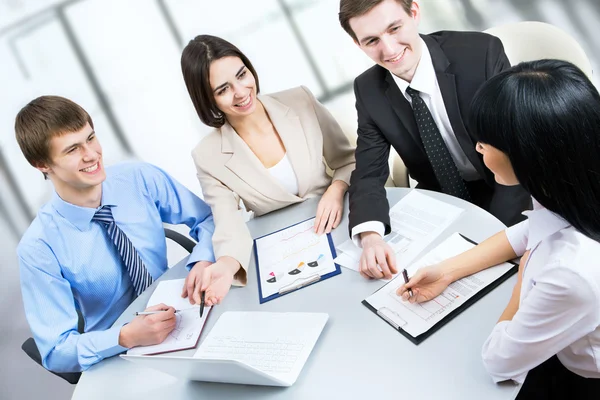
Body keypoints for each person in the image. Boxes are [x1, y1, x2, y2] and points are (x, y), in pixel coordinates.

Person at [397, 60, 600, 398]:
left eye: (485, 143)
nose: (477, 149)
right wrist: (448, 270)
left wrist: (522, 282)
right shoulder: (568, 186)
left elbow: (499, 361)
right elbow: (530, 233)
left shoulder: (572, 272)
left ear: (527, 154)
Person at [15, 96, 216, 372]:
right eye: (73, 149)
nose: (92, 155)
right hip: (120, 357)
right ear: (42, 164)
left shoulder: (138, 178)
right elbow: (56, 351)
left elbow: (208, 218)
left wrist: (203, 259)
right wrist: (125, 336)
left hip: (187, 314)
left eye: (91, 138)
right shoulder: (38, 247)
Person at [338, 0, 531, 280]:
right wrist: (370, 237)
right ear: (358, 45)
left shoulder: (481, 54)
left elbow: (518, 151)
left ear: (414, 13)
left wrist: (486, 241)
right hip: (443, 201)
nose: (389, 50)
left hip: (508, 186)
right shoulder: (368, 89)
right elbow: (368, 171)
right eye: (372, 40)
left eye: (394, 28)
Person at [181, 34, 356, 304]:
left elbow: (348, 160)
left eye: (242, 74)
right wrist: (227, 266)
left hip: (341, 224)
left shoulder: (300, 100)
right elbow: (227, 222)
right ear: (208, 99)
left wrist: (336, 188)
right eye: (223, 89)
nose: (240, 92)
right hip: (285, 256)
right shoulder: (207, 156)